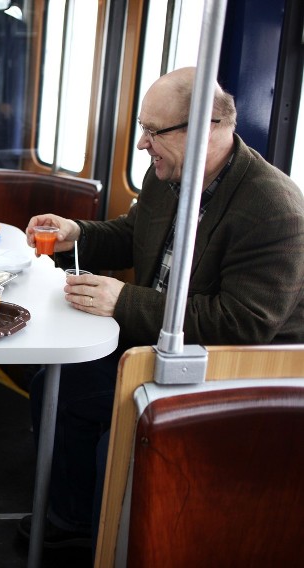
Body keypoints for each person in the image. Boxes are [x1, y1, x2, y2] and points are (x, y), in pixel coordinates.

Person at [17, 67, 304, 553]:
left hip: (233, 369)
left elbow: (244, 323)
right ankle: (74, 516)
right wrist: (77, 234)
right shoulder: (169, 177)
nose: (143, 144)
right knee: (58, 383)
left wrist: (124, 301)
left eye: (155, 131)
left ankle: (113, 543)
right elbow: (134, 236)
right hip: (160, 344)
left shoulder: (273, 208)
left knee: (120, 433)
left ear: (210, 128)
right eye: (143, 129)